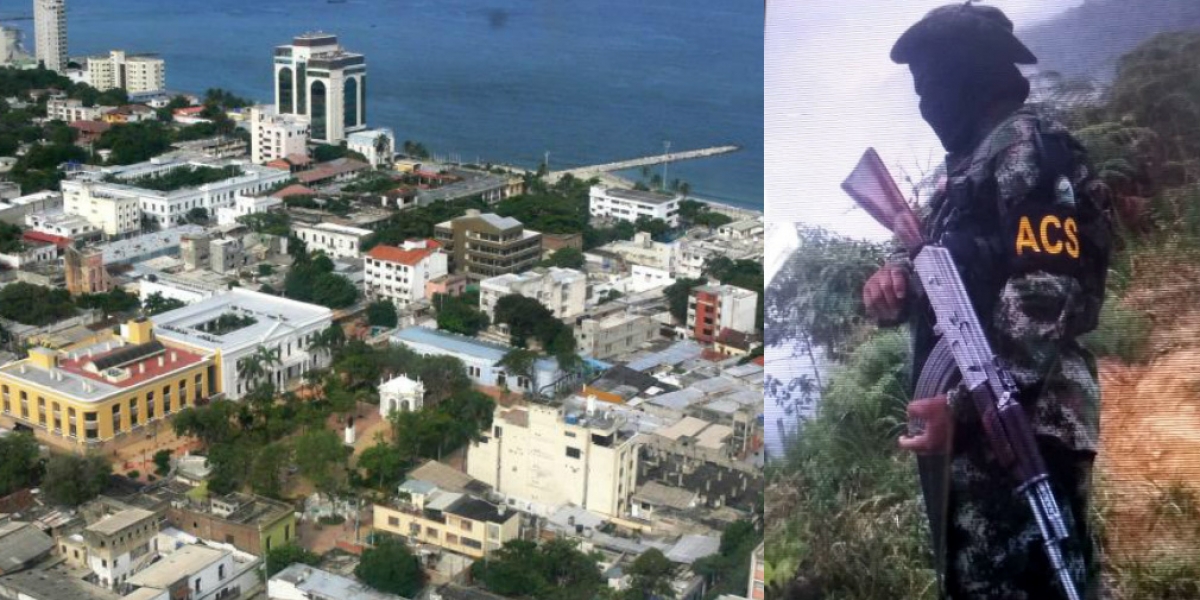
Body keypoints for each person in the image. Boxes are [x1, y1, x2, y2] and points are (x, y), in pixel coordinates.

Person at [862, 3, 1113, 599]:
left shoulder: (1028, 149)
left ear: (967, 79)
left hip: (1026, 422)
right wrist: (893, 281)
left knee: (1035, 582)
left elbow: (1043, 293)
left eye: (930, 87)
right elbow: (945, 257)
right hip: (979, 420)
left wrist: (965, 408)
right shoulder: (966, 175)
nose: (924, 105)